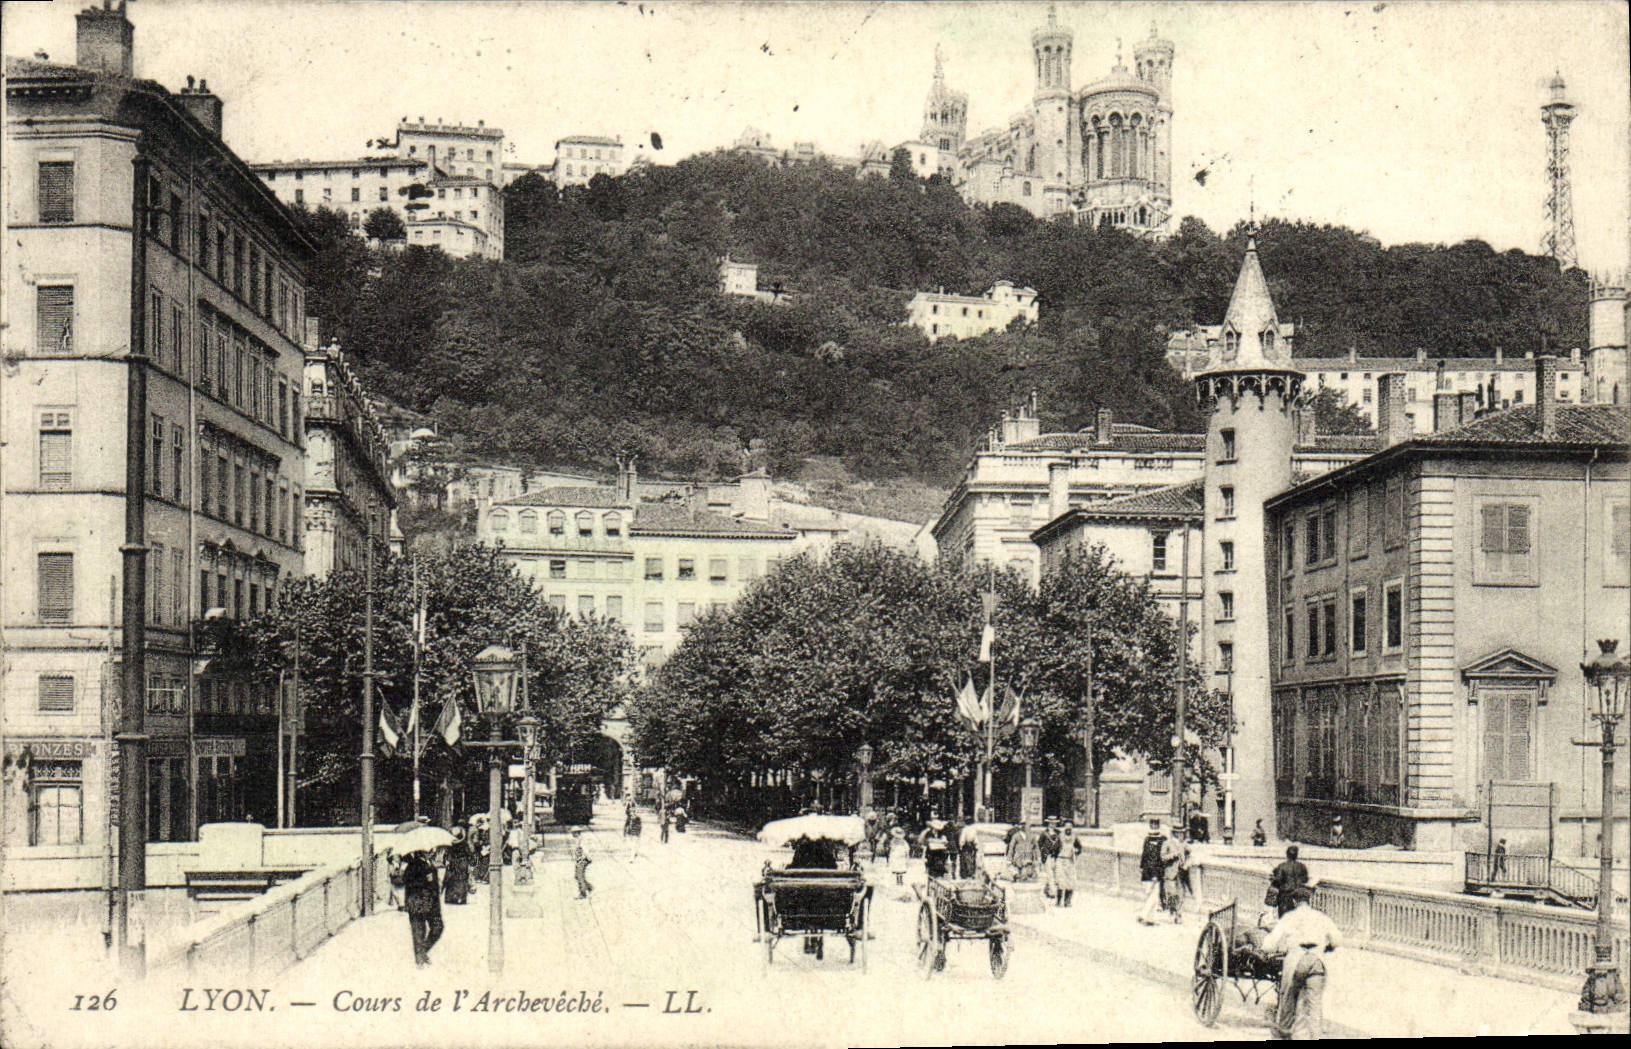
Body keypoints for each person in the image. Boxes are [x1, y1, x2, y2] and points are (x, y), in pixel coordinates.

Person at [1262, 886, 1340, 1039]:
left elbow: (1268, 945)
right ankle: (1315, 1036)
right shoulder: (1321, 917)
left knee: (1288, 1001)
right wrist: (1327, 947)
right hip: (1317, 961)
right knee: (1314, 1006)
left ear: (1294, 901)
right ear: (1309, 900)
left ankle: (1284, 1034)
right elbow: (1337, 939)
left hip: (1297, 960)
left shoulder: (1289, 917)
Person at [402, 848, 443, 967]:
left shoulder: (429, 864)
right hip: (417, 903)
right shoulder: (413, 865)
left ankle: (422, 951)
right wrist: (425, 880)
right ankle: (419, 959)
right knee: (419, 931)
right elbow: (408, 882)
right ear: (421, 852)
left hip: (431, 903)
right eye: (429, 850)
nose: (432, 851)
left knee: (438, 927)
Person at [1136, 818, 1167, 924]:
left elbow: (1145, 856)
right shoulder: (1161, 840)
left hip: (1149, 872)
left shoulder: (1148, 840)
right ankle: (1146, 916)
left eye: (1155, 824)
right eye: (1153, 824)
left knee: (1151, 895)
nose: (1154, 826)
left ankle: (1147, 916)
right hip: (1153, 872)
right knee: (1152, 895)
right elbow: (1151, 858)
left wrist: (1142, 867)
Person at [1269, 844, 1310, 918]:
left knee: (1284, 918)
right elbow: (1305, 879)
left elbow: (1278, 880)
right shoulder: (1302, 866)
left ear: (1287, 854)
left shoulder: (1282, 866)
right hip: (1299, 895)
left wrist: (1273, 876)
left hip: (1285, 895)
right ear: (1297, 855)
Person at [1161, 824, 1189, 923]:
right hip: (1170, 872)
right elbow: (1163, 857)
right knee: (1172, 894)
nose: (1181, 834)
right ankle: (1172, 911)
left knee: (1181, 894)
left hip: (1181, 872)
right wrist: (1173, 855)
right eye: (1179, 832)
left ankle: (1178, 914)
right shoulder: (1167, 843)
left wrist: (1187, 861)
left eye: (1182, 832)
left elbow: (1189, 854)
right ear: (1174, 833)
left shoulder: (1183, 844)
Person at [442, 827, 471, 905]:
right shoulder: (464, 844)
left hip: (453, 863)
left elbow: (445, 855)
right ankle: (461, 898)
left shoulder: (450, 844)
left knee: (452, 880)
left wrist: (445, 861)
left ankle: (450, 898)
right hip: (462, 863)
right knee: (462, 880)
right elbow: (469, 854)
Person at [1054, 823, 1081, 907]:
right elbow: (1055, 848)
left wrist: (1076, 851)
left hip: (1069, 861)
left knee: (1070, 882)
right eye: (1066, 827)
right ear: (1064, 828)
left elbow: (1079, 848)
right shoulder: (1060, 837)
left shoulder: (1074, 837)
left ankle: (1067, 901)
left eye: (1070, 827)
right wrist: (1054, 860)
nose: (1068, 829)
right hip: (1061, 859)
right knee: (1060, 882)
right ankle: (1058, 901)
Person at [1037, 816, 1062, 897]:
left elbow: (1061, 844)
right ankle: (1052, 892)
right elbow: (1039, 845)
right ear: (1048, 823)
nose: (1053, 825)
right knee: (1050, 874)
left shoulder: (1059, 833)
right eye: (1051, 823)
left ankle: (1046, 889)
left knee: (1056, 873)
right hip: (1047, 856)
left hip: (1056, 856)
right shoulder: (1044, 834)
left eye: (1054, 823)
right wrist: (1041, 855)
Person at [920, 813, 950, 878]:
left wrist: (941, 841)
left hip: (940, 850)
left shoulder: (941, 833)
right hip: (931, 850)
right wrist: (939, 841)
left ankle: (940, 874)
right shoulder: (929, 832)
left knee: (942, 859)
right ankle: (932, 875)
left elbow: (945, 840)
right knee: (932, 862)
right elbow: (928, 840)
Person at [570, 828, 594, 899]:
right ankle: (589, 887)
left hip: (582, 860)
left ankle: (583, 893)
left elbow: (585, 850)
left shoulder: (581, 840)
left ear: (577, 833)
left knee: (580, 876)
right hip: (579, 860)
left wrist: (585, 857)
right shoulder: (578, 840)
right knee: (577, 876)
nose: (572, 834)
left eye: (573, 833)